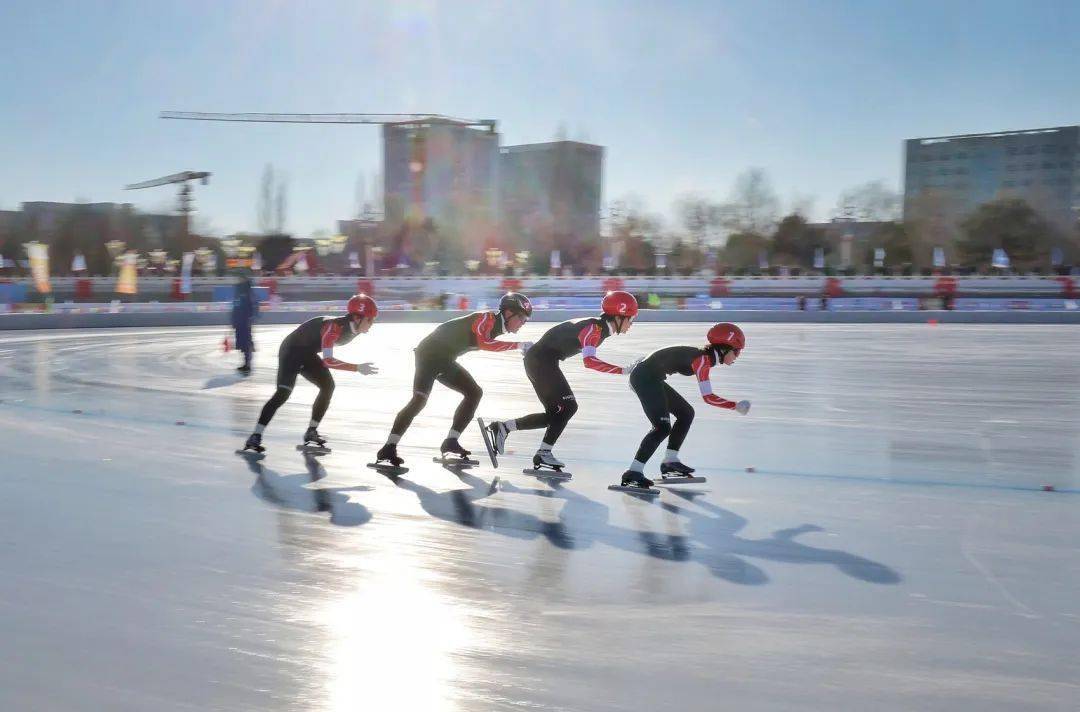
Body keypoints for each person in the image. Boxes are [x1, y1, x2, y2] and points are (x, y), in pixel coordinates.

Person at [482, 290, 637, 473]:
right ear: (619, 316)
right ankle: (544, 453)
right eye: (631, 319)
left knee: (556, 414)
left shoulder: (597, 327)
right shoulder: (595, 329)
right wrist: (623, 370)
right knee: (568, 407)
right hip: (541, 361)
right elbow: (590, 362)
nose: (631, 324)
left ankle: (503, 428)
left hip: (540, 360)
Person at [374, 292, 533, 466]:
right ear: (508, 312)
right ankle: (388, 447)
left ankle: (451, 442)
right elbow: (484, 344)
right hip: (428, 355)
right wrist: (518, 345)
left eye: (525, 320)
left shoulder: (497, 327)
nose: (523, 324)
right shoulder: (486, 318)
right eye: (521, 318)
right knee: (419, 401)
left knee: (474, 393)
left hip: (444, 359)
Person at [240, 294, 378, 454]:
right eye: (370, 320)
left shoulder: (355, 328)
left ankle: (311, 431)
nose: (372, 324)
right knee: (283, 393)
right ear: (356, 317)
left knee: (328, 387)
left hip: (308, 353)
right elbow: (328, 361)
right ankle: (255, 436)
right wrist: (357, 368)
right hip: (291, 350)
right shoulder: (334, 327)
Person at [618, 322, 751, 490]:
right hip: (644, 379)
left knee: (686, 413)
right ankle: (633, 473)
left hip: (651, 377)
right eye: (737, 351)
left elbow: (663, 355)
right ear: (724, 348)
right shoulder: (703, 359)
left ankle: (670, 462)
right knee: (662, 427)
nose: (738, 355)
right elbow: (708, 397)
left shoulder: (703, 357)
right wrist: (735, 406)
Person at [231, 275, 259, 375]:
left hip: (245, 322)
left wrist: (250, 318)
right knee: (242, 343)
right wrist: (233, 320)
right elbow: (235, 307)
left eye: (241, 279)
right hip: (239, 322)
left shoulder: (249, 293)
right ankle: (245, 363)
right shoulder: (239, 293)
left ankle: (248, 364)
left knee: (246, 343)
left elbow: (254, 307)